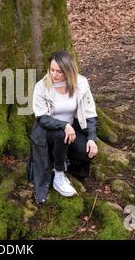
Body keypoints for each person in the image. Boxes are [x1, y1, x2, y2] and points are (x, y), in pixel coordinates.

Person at [27, 51, 98, 204]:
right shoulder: (42, 86)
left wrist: (92, 139)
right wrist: (64, 125)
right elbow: (41, 118)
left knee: (87, 152)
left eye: (59, 71)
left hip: (71, 130)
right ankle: (59, 175)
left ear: (68, 70)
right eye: (52, 70)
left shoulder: (81, 84)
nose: (54, 74)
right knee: (61, 135)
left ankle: (62, 159)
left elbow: (90, 114)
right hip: (47, 132)